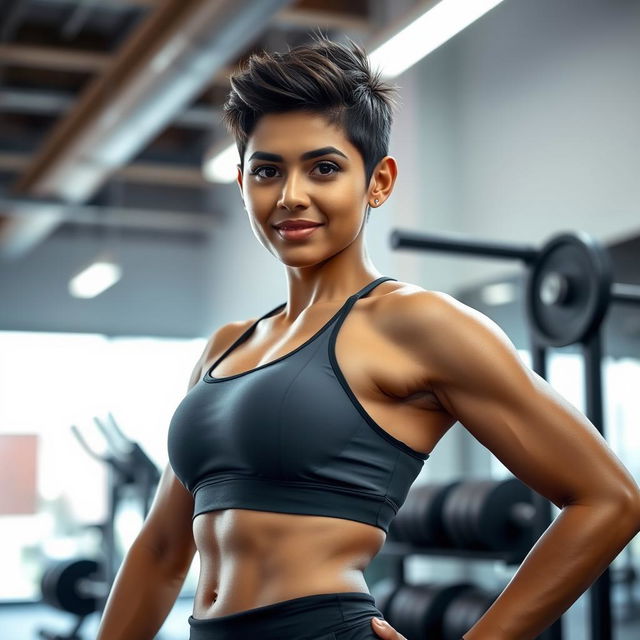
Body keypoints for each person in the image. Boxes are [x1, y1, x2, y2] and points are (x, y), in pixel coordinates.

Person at [95, 31, 640, 640]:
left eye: (323, 168)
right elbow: (163, 551)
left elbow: (608, 498)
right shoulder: (225, 344)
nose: (291, 196)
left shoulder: (416, 324)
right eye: (267, 170)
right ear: (243, 182)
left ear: (378, 181)